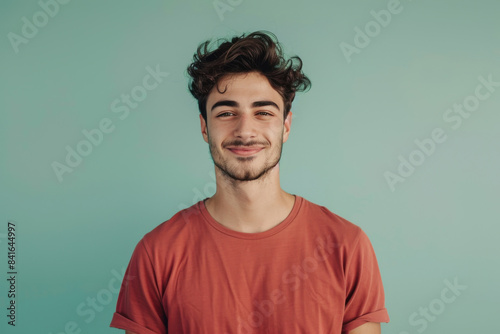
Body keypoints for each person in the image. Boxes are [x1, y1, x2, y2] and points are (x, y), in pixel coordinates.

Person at [109, 30, 390, 334]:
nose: (245, 130)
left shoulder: (346, 245)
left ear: (286, 126)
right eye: (227, 112)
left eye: (263, 112)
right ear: (205, 127)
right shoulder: (157, 253)